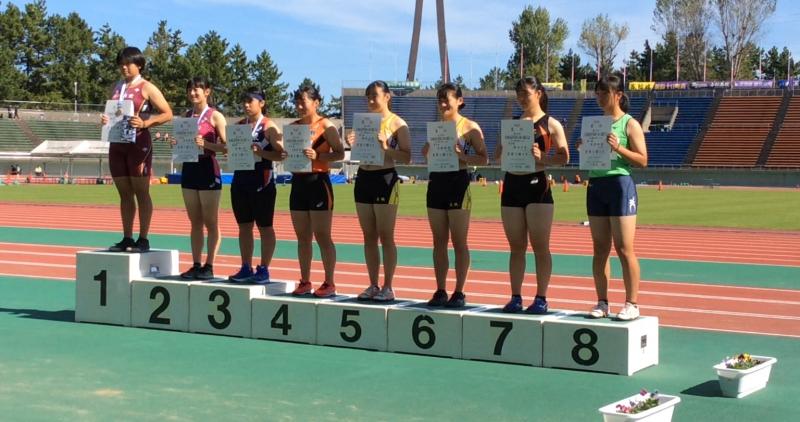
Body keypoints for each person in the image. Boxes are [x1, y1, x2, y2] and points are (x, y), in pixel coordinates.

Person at [495, 76, 569, 313]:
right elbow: (497, 156)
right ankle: (515, 297)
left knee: (540, 245)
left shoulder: (551, 123)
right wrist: (503, 146)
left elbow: (564, 157)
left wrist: (543, 158)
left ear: (538, 93)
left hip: (537, 185)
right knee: (516, 246)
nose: (521, 98)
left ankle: (541, 298)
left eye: (525, 93)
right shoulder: (513, 123)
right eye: (518, 94)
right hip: (512, 184)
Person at [582, 75, 648, 320]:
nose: (599, 98)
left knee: (624, 248)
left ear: (618, 95)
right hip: (596, 184)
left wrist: (618, 147)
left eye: (604, 93)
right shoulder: (595, 124)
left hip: (620, 185)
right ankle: (602, 302)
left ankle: (632, 303)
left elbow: (643, 160)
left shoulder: (630, 124)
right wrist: (584, 147)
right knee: (600, 248)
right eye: (597, 93)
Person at [421, 83, 488, 308]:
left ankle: (459, 291)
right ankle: (440, 290)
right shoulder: (438, 128)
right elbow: (427, 155)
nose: (442, 104)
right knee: (438, 242)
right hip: (436, 182)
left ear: (459, 101)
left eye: (446, 100)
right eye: (439, 100)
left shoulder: (469, 127)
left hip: (458, 182)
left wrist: (463, 156)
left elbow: (484, 158)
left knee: (459, 241)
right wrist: (427, 151)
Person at [101, 46, 173, 253]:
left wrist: (145, 123)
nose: (123, 67)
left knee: (141, 192)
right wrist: (105, 119)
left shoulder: (147, 87)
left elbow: (167, 113)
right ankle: (127, 237)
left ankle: (143, 238)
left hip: (138, 144)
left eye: (128, 64)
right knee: (124, 193)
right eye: (121, 64)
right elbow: (112, 112)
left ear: (139, 65)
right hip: (117, 143)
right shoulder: (116, 87)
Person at [347, 80, 411, 302]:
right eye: (368, 97)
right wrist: (351, 141)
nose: (371, 100)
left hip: (385, 178)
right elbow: (358, 149)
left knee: (386, 235)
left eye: (375, 95)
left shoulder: (397, 123)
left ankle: (388, 286)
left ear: (387, 96)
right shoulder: (364, 123)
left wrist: (386, 147)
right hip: (364, 177)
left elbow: (407, 156)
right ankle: (373, 284)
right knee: (369, 236)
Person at [288, 84, 344, 297]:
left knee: (322, 235)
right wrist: (287, 156)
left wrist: (318, 156)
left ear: (316, 103)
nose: (300, 106)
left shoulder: (326, 125)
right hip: (298, 183)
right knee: (302, 237)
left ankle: (329, 282)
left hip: (319, 183)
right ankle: (305, 281)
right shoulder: (293, 127)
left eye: (303, 101)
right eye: (297, 102)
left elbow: (339, 153)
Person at [228, 88, 284, 283]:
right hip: (240, 179)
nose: (246, 105)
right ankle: (246, 266)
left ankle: (264, 268)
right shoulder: (238, 126)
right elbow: (229, 149)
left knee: (265, 226)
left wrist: (262, 153)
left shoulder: (269, 126)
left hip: (262, 180)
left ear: (261, 103)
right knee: (244, 226)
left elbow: (282, 154)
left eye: (250, 101)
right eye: (244, 101)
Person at [176, 77, 227, 280]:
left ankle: (209, 265)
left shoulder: (215, 116)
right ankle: (196, 264)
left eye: (197, 89)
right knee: (195, 221)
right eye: (190, 89)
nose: (192, 93)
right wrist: (177, 143)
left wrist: (207, 145)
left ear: (207, 91)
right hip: (189, 169)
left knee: (210, 221)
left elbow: (228, 147)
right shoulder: (186, 116)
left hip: (208, 169)